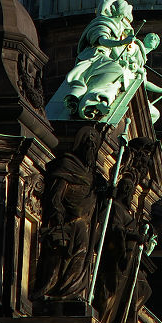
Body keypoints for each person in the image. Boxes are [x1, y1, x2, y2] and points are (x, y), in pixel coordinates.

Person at [31, 127, 105, 301]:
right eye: (88, 143)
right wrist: (57, 212)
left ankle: (71, 291)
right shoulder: (67, 164)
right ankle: (56, 291)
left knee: (82, 256)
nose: (91, 148)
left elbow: (97, 203)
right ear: (80, 144)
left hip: (83, 225)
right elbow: (55, 195)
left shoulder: (94, 176)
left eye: (95, 145)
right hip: (68, 222)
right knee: (62, 259)